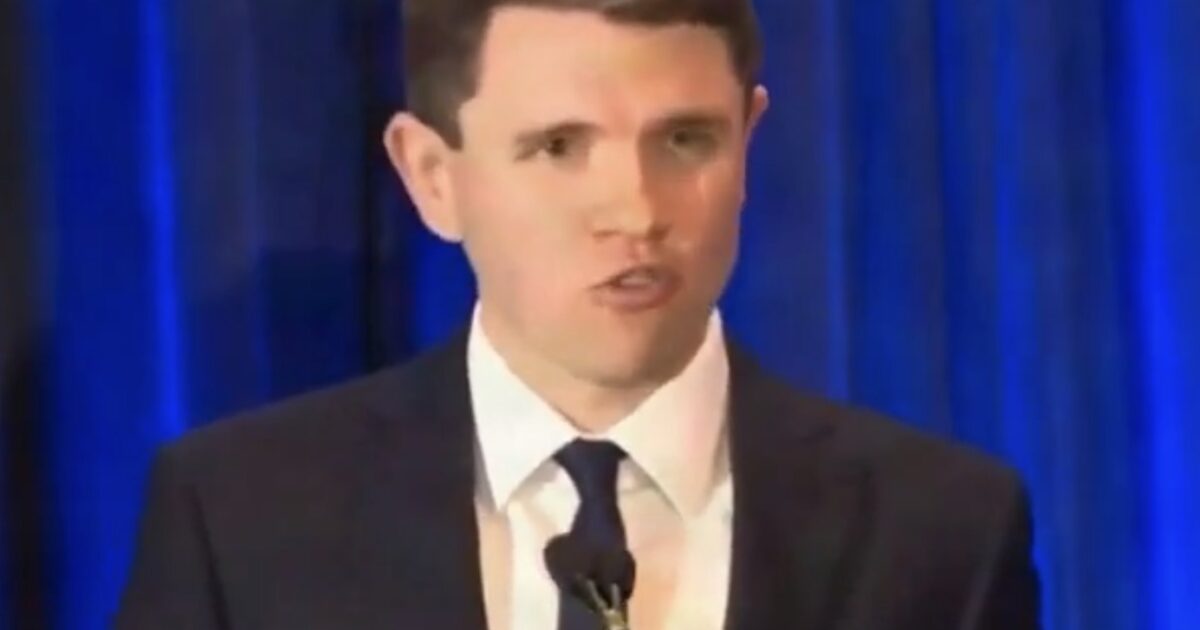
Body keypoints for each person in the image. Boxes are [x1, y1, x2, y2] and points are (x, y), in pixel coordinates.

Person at [115, 1, 1042, 628]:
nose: (636, 210)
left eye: (686, 139)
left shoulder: (943, 532)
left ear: (748, 145)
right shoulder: (239, 521)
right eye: (559, 146)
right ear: (432, 177)